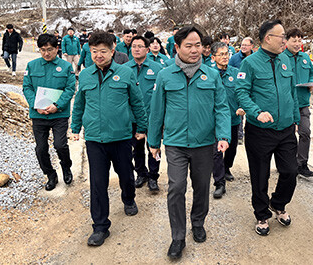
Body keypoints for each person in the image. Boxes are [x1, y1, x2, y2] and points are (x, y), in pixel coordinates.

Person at [148, 25, 231, 260]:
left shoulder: (211, 75)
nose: (195, 50)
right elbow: (156, 112)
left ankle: (198, 222)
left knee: (202, 187)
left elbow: (222, 108)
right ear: (177, 47)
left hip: (204, 143)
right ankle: (178, 236)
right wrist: (153, 142)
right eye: (189, 46)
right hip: (175, 143)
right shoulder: (165, 76)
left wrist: (223, 136)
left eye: (198, 45)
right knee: (175, 187)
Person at [71, 31, 148, 247]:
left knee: (125, 174)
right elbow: (79, 103)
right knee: (98, 183)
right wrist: (75, 127)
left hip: (121, 136)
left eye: (103, 51)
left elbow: (137, 101)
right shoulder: (85, 75)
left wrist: (141, 127)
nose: (98, 55)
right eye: (94, 51)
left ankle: (129, 197)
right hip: (95, 138)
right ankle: (100, 226)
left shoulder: (125, 73)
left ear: (112, 51)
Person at [235, 20, 300, 236]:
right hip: (260, 131)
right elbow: (241, 92)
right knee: (260, 175)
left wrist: (295, 117)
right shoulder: (250, 63)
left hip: (286, 129)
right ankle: (262, 214)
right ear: (267, 38)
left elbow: (292, 91)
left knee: (291, 170)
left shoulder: (286, 60)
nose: (285, 40)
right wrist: (256, 111)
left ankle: (278, 203)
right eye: (282, 36)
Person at [22, 34, 76, 191]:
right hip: (38, 115)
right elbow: (27, 87)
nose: (46, 53)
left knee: (60, 145)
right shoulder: (32, 66)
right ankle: (50, 175)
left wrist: (57, 106)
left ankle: (66, 167)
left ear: (57, 48)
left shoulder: (65, 67)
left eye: (50, 50)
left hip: (59, 114)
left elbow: (70, 88)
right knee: (40, 149)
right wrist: (34, 105)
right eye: (43, 50)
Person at [125, 36, 163, 192]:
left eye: (140, 46)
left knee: (154, 147)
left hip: (152, 117)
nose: (136, 49)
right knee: (136, 149)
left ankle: (154, 176)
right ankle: (141, 173)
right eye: (134, 46)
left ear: (147, 49)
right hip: (133, 117)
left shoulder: (158, 69)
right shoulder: (125, 68)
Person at [210, 42, 245, 199]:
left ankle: (227, 167)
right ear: (213, 57)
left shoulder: (236, 73)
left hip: (233, 118)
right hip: (215, 121)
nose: (225, 57)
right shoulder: (209, 74)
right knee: (217, 151)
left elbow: (243, 92)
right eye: (221, 54)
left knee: (231, 150)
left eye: (227, 54)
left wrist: (242, 106)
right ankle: (219, 183)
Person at [283, 28, 313, 178]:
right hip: (287, 104)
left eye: (300, 40)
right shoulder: (281, 58)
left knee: (305, 132)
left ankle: (301, 163)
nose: (297, 43)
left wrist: (311, 83)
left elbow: (311, 73)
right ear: (286, 41)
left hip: (303, 102)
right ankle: (286, 164)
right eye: (294, 40)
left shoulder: (305, 57)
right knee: (287, 136)